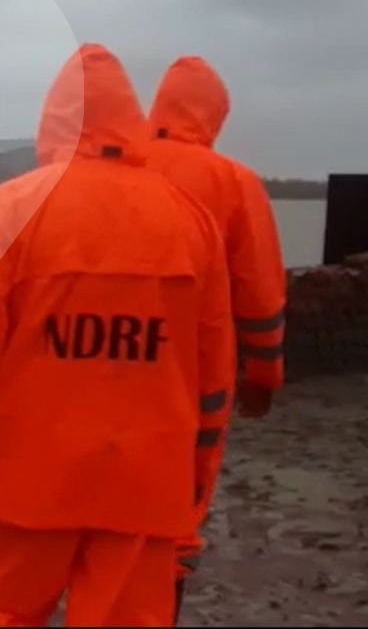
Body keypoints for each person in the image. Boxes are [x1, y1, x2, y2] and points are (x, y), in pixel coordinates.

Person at [0, 44, 236, 626]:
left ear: (52, 121)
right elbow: (213, 379)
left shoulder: (12, 208)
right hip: (144, 485)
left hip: (24, 485)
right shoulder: (190, 218)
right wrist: (194, 482)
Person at [144, 56, 287, 616]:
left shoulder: (111, 164)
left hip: (99, 362)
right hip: (195, 375)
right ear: (214, 115)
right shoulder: (234, 182)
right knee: (178, 514)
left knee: (101, 513)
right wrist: (265, 374)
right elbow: (260, 291)